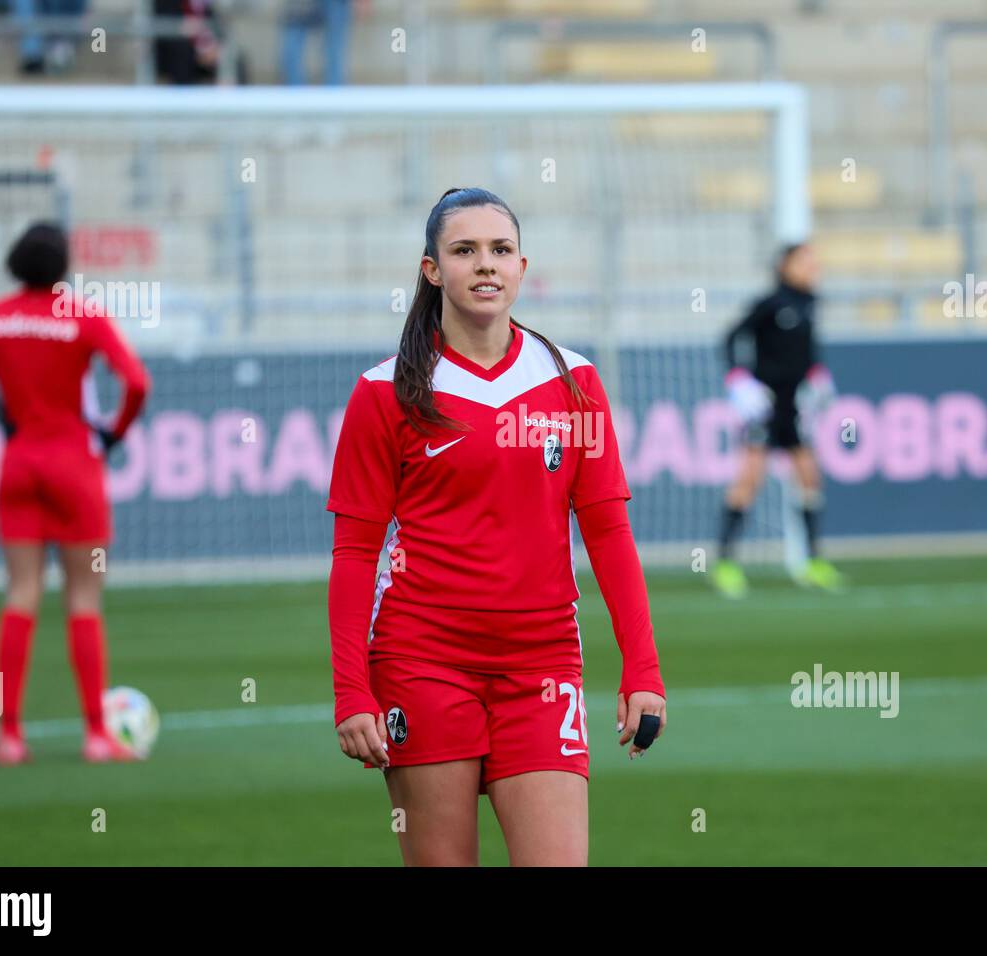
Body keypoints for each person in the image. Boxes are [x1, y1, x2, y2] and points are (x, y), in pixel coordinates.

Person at [327, 187, 667, 866]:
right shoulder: (383, 391)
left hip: (542, 668)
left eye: (500, 250)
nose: (486, 265)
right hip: (420, 663)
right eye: (465, 250)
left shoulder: (576, 381)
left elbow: (606, 531)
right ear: (432, 270)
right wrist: (350, 690)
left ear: (522, 266)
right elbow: (355, 552)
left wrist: (643, 669)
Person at [0, 222, 151, 765]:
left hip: (19, 466)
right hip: (75, 468)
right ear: (63, 266)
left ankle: (9, 738)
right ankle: (94, 736)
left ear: (15, 264)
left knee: (20, 595)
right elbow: (136, 382)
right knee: (83, 600)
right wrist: (114, 432)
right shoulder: (82, 316)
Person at [713, 241, 845, 597]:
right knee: (749, 479)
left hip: (795, 406)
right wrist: (739, 381)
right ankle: (725, 563)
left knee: (809, 478)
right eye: (804, 260)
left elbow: (807, 350)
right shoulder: (770, 304)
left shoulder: (811, 303)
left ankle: (813, 560)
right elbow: (730, 337)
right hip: (765, 404)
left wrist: (817, 376)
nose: (812, 266)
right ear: (785, 265)